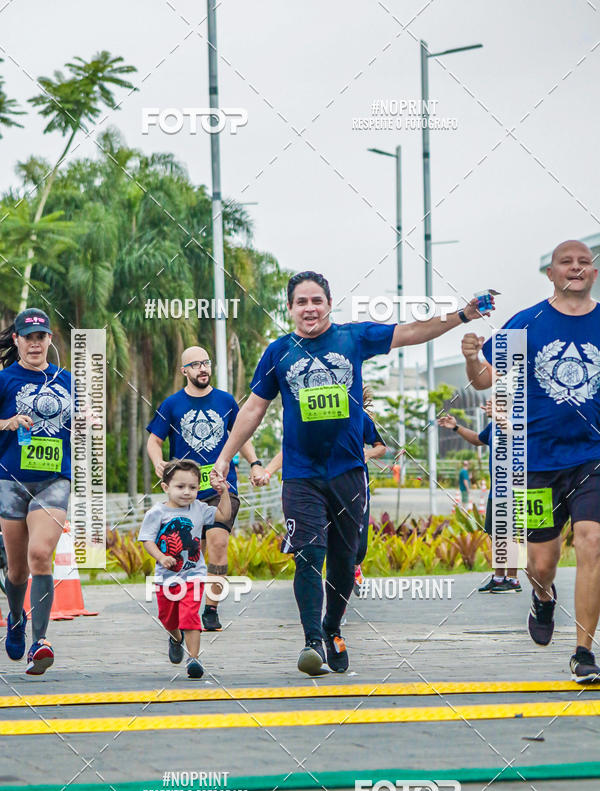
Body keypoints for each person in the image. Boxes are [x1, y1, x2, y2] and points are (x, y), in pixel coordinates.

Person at [209, 269, 491, 676]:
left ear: (329, 304)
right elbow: (254, 408)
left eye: (316, 300)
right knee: (309, 553)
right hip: (301, 474)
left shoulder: (353, 337)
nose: (310, 308)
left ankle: (332, 628)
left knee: (344, 559)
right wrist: (225, 457)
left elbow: (412, 331)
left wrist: (462, 316)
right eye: (301, 302)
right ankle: (311, 643)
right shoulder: (278, 352)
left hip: (347, 473)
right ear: (289, 309)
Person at [463, 239, 600, 683]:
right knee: (541, 563)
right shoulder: (527, 323)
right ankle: (542, 598)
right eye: (567, 262)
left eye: (584, 262)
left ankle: (583, 651)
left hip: (592, 457)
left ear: (593, 274)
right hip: (536, 460)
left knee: (592, 541)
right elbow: (487, 378)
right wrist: (469, 358)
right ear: (552, 274)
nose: (576, 267)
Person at [146, 346, 266, 632]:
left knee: (218, 543)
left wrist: (256, 463)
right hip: (185, 492)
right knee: (188, 551)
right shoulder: (172, 404)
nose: (203, 368)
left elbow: (241, 436)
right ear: (184, 371)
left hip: (221, 485)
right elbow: (154, 441)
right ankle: (180, 610)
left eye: (206, 363)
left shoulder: (225, 401)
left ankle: (211, 609)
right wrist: (158, 461)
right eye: (195, 364)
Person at [0, 308, 73, 675]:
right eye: (27, 337)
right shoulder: (4, 379)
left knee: (40, 554)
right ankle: (16, 616)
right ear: (16, 340)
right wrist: (8, 422)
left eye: (41, 336)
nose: (34, 343)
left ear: (49, 340)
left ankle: (40, 642)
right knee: (16, 571)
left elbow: (79, 419)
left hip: (53, 481)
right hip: (10, 481)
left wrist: (87, 419)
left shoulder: (67, 379)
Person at [259, 394, 388, 597]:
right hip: (316, 490)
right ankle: (330, 609)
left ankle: (354, 567)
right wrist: (268, 471)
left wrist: (366, 453)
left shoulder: (358, 416)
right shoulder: (309, 420)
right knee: (320, 547)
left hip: (353, 489)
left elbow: (381, 447)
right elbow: (289, 449)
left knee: (358, 548)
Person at [138, 459, 231, 678]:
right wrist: (161, 557)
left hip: (193, 574)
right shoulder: (156, 513)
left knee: (190, 615)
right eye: (180, 487)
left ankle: (194, 658)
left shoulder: (199, 508)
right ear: (165, 487)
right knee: (167, 619)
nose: (187, 492)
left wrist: (224, 493)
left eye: (193, 487)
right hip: (166, 578)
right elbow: (147, 540)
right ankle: (176, 638)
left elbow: (223, 516)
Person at [438, 406, 521, 593]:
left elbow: (513, 433)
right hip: (496, 491)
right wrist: (455, 427)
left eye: (494, 402)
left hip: (512, 490)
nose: (488, 405)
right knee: (496, 535)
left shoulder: (517, 422)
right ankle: (499, 578)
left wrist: (499, 416)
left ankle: (513, 579)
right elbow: (477, 439)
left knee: (509, 536)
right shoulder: (493, 426)